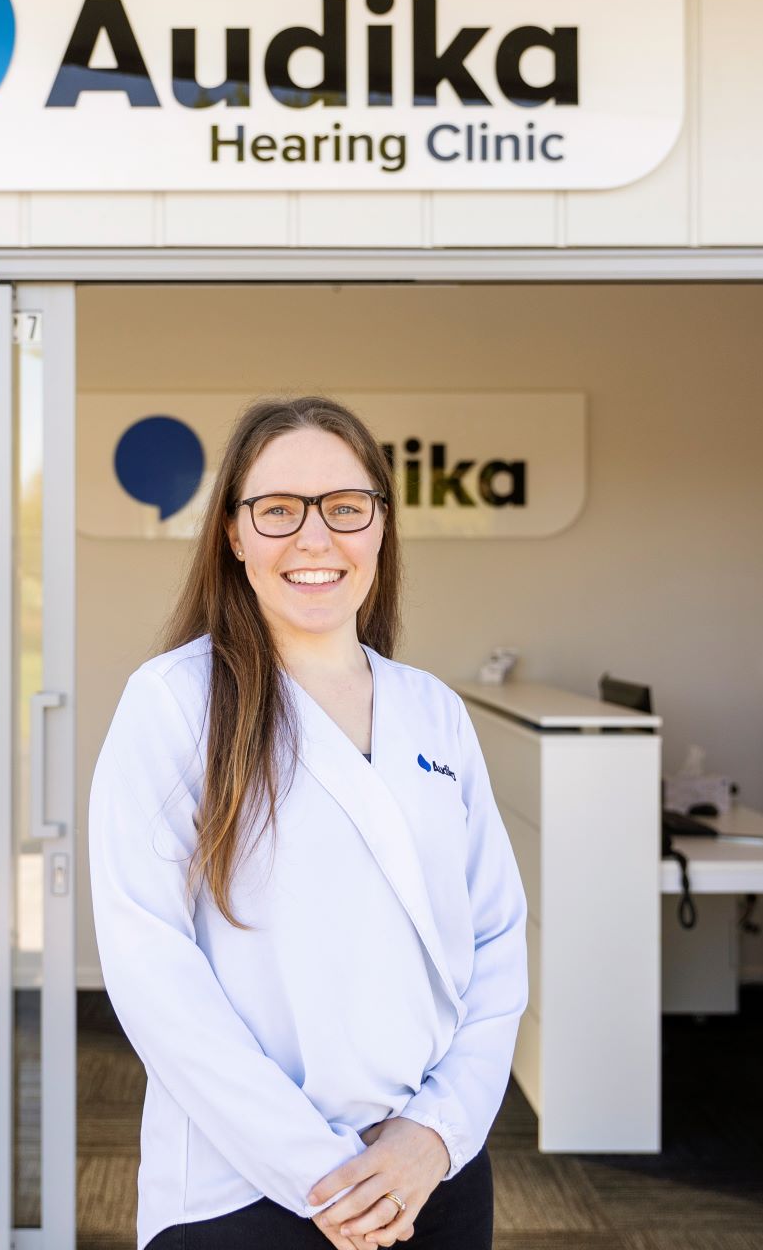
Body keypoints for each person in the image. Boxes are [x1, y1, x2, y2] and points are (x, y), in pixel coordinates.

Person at [88, 396, 530, 1250]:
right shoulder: (175, 703)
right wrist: (319, 1172)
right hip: (247, 1188)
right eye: (278, 510)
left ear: (381, 528)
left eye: (345, 507)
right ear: (234, 534)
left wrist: (435, 1135)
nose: (315, 538)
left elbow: (497, 946)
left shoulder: (431, 711)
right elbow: (152, 968)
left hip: (432, 1177)